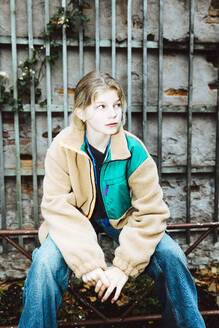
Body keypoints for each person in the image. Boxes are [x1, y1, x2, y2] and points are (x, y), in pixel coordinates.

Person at [18, 71, 206, 328]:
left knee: (172, 255)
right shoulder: (62, 148)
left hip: (123, 220)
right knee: (44, 263)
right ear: (81, 112)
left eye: (117, 105)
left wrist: (122, 268)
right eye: (102, 106)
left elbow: (151, 212)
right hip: (74, 223)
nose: (113, 113)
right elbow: (57, 208)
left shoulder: (134, 149)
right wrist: (89, 264)